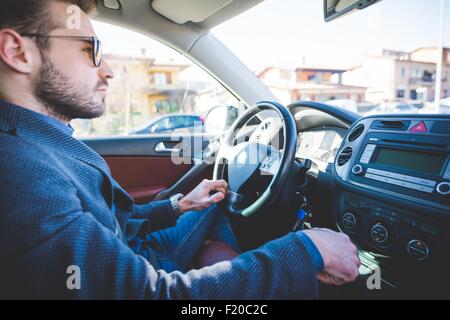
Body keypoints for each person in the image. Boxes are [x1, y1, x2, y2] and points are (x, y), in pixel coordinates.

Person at [0, 0, 360, 299]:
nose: (107, 70)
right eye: (89, 50)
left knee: (219, 205)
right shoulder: (19, 172)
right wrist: (307, 250)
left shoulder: (42, 141)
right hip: (149, 270)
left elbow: (113, 222)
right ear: (18, 52)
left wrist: (180, 204)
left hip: (135, 250)